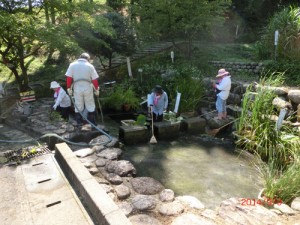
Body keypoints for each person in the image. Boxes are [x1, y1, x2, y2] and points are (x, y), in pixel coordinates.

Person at [65, 52, 100, 126]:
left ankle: (79, 123)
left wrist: (68, 88)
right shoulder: (90, 66)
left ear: (80, 57)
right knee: (90, 105)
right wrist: (96, 89)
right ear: (87, 59)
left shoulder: (72, 65)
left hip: (77, 88)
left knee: (78, 105)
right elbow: (94, 80)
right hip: (88, 87)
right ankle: (92, 123)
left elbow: (69, 78)